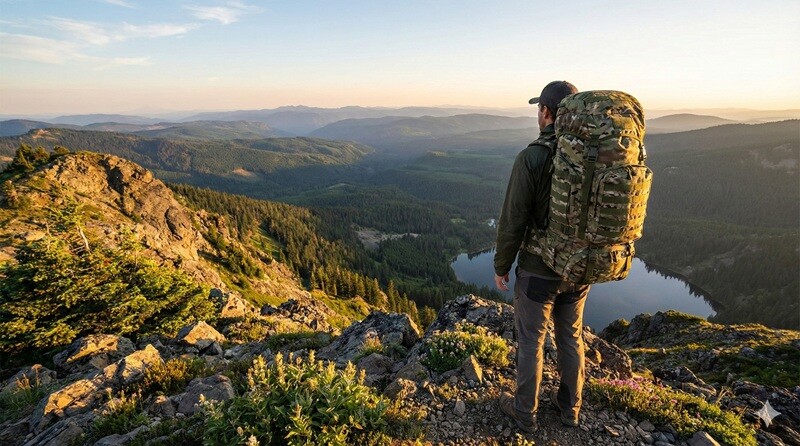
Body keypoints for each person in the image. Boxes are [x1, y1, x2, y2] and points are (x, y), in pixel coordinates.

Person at [493, 80, 589, 433]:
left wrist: (501, 266)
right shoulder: (589, 158)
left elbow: (513, 218)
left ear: (546, 112)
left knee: (531, 341)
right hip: (578, 271)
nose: (537, 113)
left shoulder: (532, 157)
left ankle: (525, 414)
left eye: (539, 108)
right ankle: (570, 409)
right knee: (570, 337)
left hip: (538, 272)